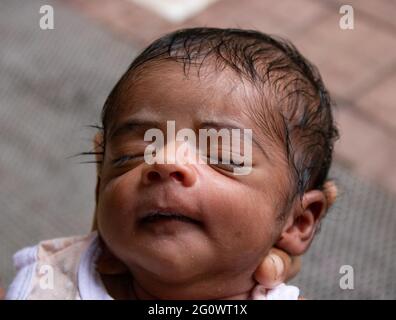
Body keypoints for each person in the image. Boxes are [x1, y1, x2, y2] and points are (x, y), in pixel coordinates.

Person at [5, 27, 338, 300]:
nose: (163, 162)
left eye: (222, 156)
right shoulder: (45, 282)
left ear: (298, 222)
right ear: (99, 178)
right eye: (130, 155)